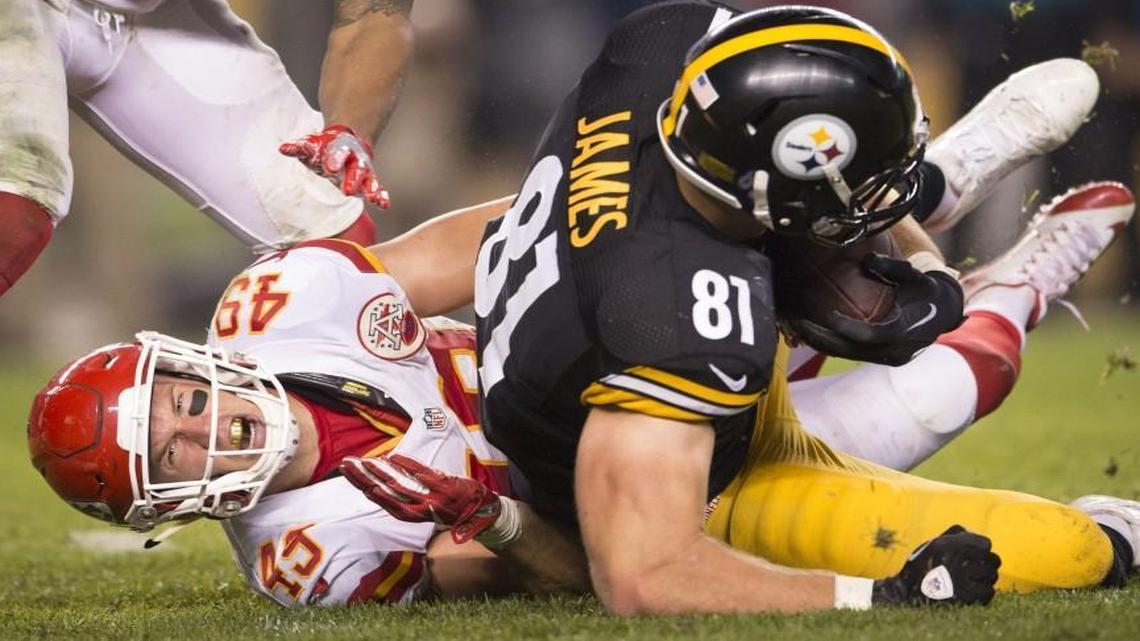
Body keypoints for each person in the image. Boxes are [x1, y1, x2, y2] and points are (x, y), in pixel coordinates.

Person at [23, 2, 1134, 610]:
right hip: (622, 470)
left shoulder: (278, 302)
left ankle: (936, 178)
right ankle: (1025, 279)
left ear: (180, 361)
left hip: (574, 339)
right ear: (165, 505)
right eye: (165, 452)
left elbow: (461, 245)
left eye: (172, 400)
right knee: (930, 398)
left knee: (829, 292)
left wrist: (582, 245)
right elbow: (562, 574)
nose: (199, 426)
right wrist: (488, 513)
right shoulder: (310, 553)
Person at [461, 2, 1131, 614]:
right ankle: (1013, 286)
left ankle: (941, 185)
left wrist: (928, 269)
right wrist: (877, 596)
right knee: (1071, 547)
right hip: (702, 483)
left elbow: (462, 245)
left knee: (897, 305)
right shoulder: (673, 308)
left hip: (651, 346)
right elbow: (642, 573)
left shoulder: (662, 60)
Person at [0, 0, 414, 297]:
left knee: (334, 248)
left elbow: (375, 13)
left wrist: (347, 132)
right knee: (16, 210)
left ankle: (315, 411)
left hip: (159, 19)